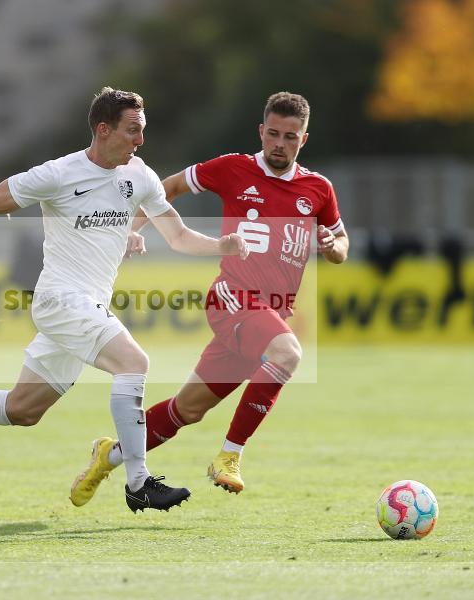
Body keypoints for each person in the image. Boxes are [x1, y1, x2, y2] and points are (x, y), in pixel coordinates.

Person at [0, 87, 249, 513]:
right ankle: (138, 481)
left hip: (85, 307)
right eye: (131, 131)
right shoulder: (59, 173)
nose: (140, 140)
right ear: (103, 130)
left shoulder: (138, 176)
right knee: (135, 363)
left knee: (22, 409)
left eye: (142, 131)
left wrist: (225, 246)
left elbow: (178, 235)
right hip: (60, 300)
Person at [70, 91, 349, 506]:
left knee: (187, 410)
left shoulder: (318, 189)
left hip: (266, 317)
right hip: (233, 300)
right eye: (272, 134)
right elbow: (169, 187)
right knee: (288, 352)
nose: (279, 143)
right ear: (261, 131)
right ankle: (229, 457)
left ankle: (108, 456)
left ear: (303, 140)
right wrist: (136, 227)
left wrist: (332, 245)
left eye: (290, 137)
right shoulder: (233, 168)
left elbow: (341, 242)